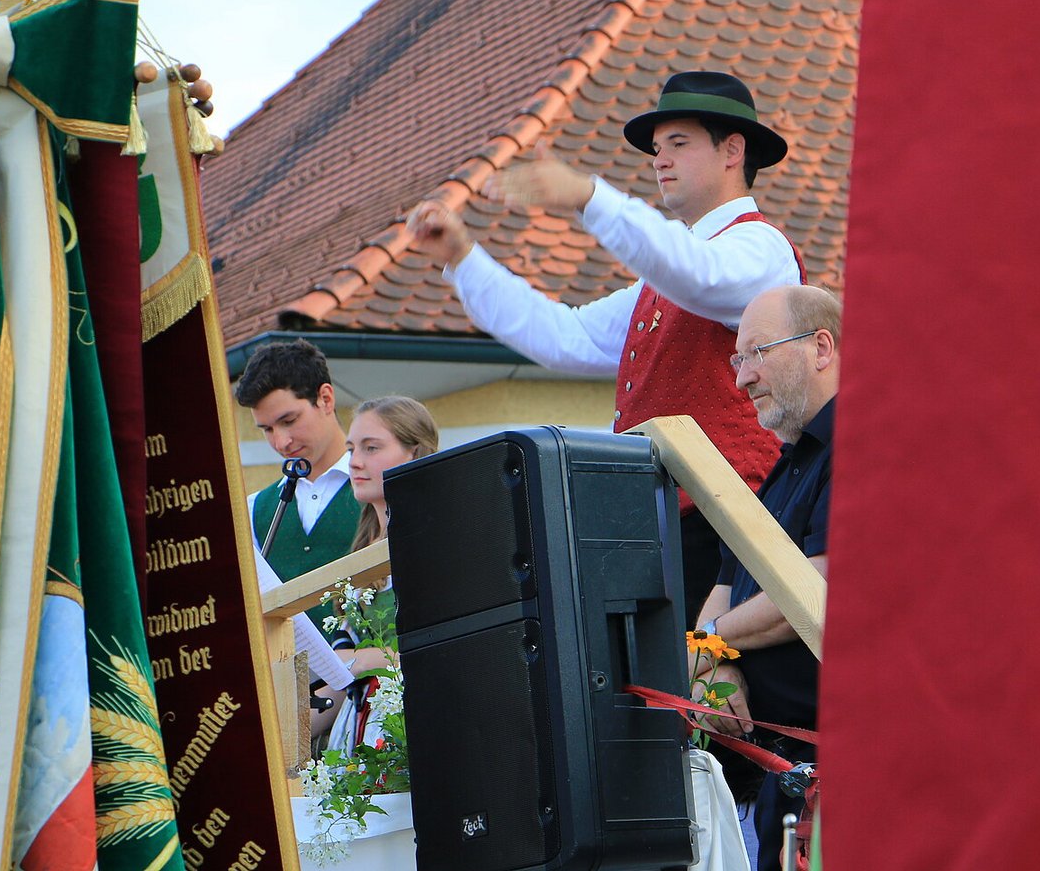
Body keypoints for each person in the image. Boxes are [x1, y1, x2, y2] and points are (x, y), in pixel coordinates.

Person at [408, 71, 804, 620]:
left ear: (733, 150)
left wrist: (586, 194)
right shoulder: (664, 277)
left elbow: (697, 273)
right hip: (661, 524)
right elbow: (567, 336)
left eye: (678, 144)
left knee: (708, 670)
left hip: (730, 525)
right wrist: (463, 258)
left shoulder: (760, 247)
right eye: (657, 150)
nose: (660, 161)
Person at [693, 284, 838, 871]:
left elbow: (814, 593)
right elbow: (722, 594)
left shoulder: (862, 447)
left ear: (821, 347)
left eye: (757, 352)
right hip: (780, 780)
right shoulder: (783, 469)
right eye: (737, 359)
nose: (741, 378)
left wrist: (708, 647)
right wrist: (714, 666)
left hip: (842, 776)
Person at [316, 396, 441, 750]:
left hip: (416, 724)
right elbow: (344, 677)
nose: (355, 462)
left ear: (415, 454)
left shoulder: (437, 542)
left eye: (371, 448)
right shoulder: (361, 550)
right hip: (359, 727)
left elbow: (450, 654)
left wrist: (370, 660)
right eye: (351, 449)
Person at [234, 339, 355, 629]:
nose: (280, 442)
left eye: (288, 420)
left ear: (326, 399)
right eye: (267, 429)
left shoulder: (385, 485)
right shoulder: (254, 509)